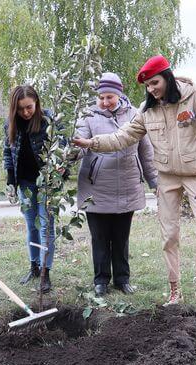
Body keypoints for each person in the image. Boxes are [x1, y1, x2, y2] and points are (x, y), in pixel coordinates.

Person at [73, 55, 196, 310]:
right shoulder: (147, 111)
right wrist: (91, 143)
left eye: (154, 83)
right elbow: (122, 137)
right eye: (147, 86)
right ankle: (175, 290)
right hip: (167, 177)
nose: (151, 90)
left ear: (167, 76)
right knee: (169, 236)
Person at [75, 72, 157, 296]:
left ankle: (122, 279)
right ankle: (101, 280)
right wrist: (69, 154)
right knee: (100, 237)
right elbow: (80, 144)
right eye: (101, 97)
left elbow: (146, 151)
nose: (104, 102)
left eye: (109, 97)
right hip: (96, 187)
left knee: (121, 237)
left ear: (119, 95)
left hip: (127, 185)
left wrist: (154, 180)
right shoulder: (87, 115)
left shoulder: (134, 115)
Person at [3, 85, 56, 293]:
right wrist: (10, 180)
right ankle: (34, 266)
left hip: (46, 184)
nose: (25, 112)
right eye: (20, 109)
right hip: (25, 184)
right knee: (31, 226)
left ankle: (45, 272)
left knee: (45, 226)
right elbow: (8, 151)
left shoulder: (48, 120)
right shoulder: (10, 123)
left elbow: (63, 147)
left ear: (37, 103)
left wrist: (58, 173)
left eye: (29, 107)